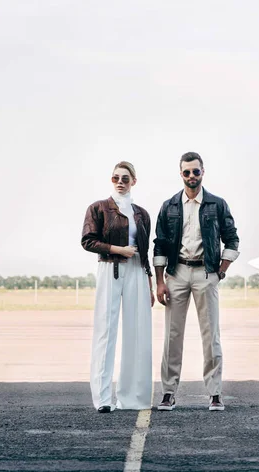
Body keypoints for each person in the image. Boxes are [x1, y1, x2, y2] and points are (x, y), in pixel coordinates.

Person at [153, 152, 239, 411]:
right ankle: (168, 392)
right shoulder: (169, 206)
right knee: (172, 335)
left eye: (196, 171)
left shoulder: (216, 204)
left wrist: (220, 271)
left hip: (206, 273)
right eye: (187, 172)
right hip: (177, 273)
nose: (191, 176)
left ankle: (214, 393)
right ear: (181, 174)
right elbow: (159, 244)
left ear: (203, 172)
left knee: (211, 334)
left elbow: (232, 238)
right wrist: (160, 281)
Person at [81, 161, 154, 413]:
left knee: (137, 333)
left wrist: (150, 281)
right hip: (110, 267)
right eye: (115, 178)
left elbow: (145, 251)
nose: (120, 182)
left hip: (137, 271)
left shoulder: (142, 213)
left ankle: (132, 398)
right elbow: (88, 241)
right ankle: (102, 399)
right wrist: (117, 249)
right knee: (106, 331)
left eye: (125, 178)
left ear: (134, 181)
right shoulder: (98, 208)